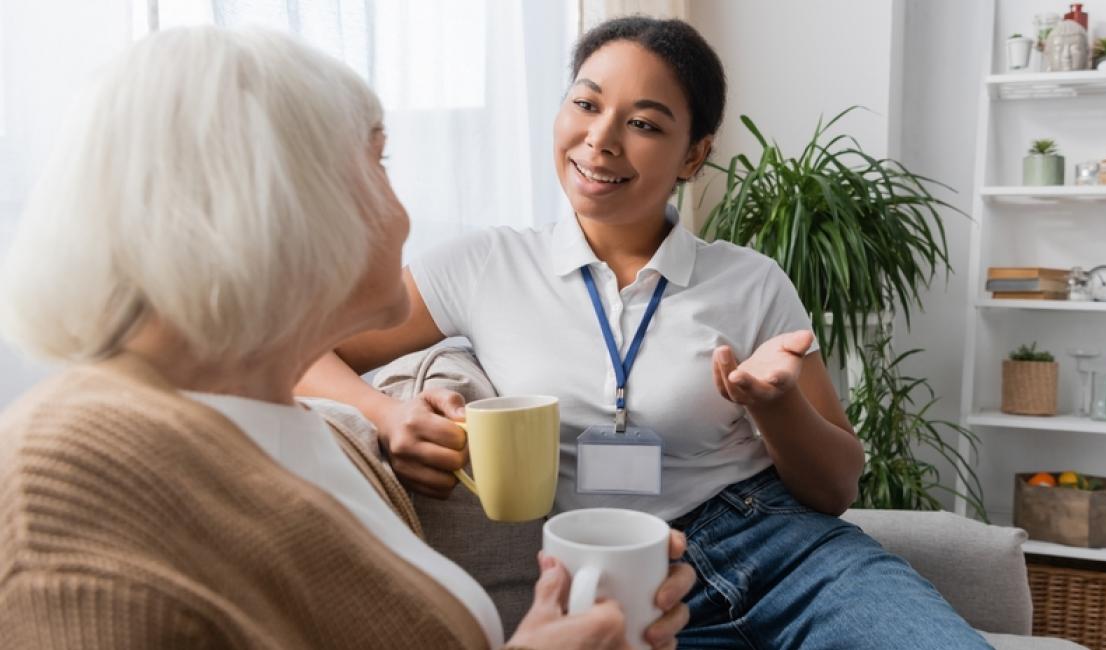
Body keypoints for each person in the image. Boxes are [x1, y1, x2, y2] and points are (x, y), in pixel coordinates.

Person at [297, 15, 992, 650]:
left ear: (694, 155)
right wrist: (387, 415)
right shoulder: (481, 265)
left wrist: (776, 406)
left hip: (785, 550)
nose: (600, 139)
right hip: (617, 575)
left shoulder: (751, 281)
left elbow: (836, 487)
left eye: (647, 124)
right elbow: (294, 348)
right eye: (586, 103)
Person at [0, 26, 692, 649]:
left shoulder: (307, 429)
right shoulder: (61, 492)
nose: (403, 214)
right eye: (380, 163)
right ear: (274, 201)